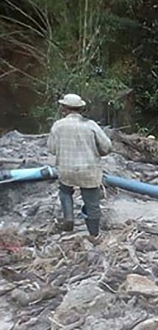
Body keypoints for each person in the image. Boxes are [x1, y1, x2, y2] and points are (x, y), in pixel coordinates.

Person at [47, 93, 112, 242]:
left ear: (64, 109)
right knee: (92, 203)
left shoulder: (58, 125)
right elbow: (107, 147)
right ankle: (93, 234)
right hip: (88, 170)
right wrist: (98, 152)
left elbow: (51, 149)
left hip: (66, 169)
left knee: (64, 191)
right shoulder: (91, 125)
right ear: (81, 109)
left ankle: (69, 218)